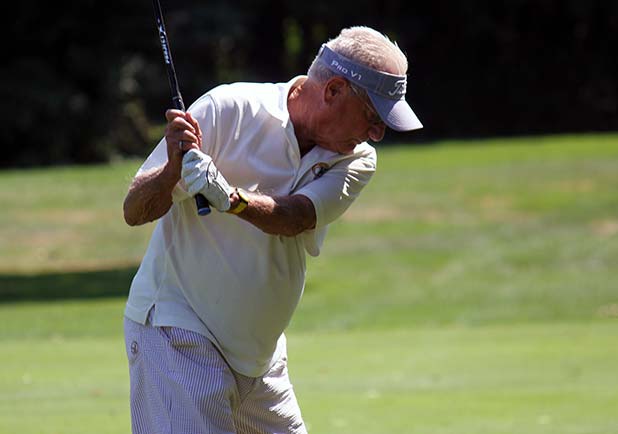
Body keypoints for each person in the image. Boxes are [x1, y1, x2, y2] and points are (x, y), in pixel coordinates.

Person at [122, 25, 422, 434]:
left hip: (260, 360)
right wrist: (172, 170)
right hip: (177, 335)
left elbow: (296, 216)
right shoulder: (229, 109)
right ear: (333, 90)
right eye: (373, 116)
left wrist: (229, 197)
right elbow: (135, 210)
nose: (377, 134)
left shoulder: (357, 159)